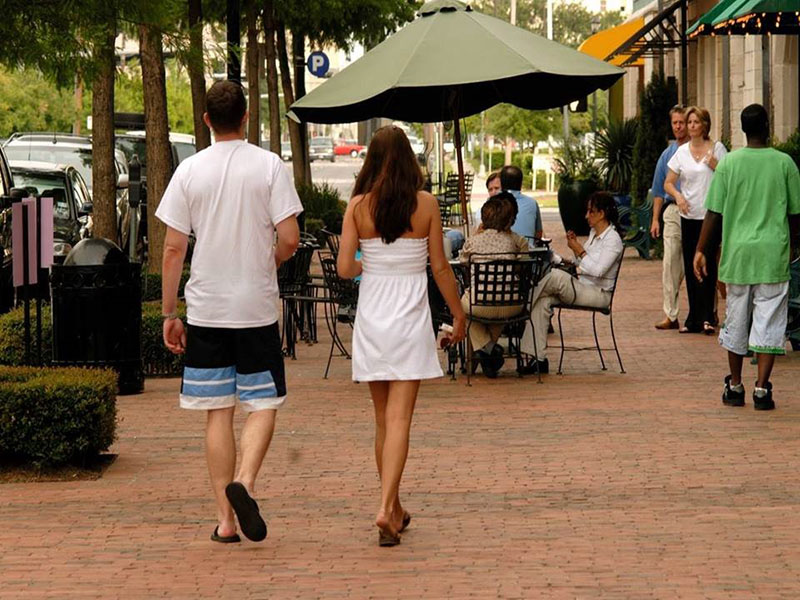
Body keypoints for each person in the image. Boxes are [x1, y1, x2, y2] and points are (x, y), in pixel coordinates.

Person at [157, 80, 303, 544]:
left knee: (217, 412)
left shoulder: (189, 172)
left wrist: (168, 313)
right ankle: (247, 481)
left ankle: (224, 520)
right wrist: (271, 260)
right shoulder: (269, 167)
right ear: (246, 118)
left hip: (206, 309)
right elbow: (291, 237)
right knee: (262, 404)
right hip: (256, 309)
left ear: (206, 120)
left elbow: (173, 248)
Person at [338, 125, 466, 547]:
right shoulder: (426, 204)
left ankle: (392, 507)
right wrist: (459, 315)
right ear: (410, 160)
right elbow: (440, 268)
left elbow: (344, 269)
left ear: (371, 160)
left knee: (381, 420)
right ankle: (386, 507)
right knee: (400, 420)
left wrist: (369, 263)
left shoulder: (357, 206)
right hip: (410, 316)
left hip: (373, 315)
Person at [694, 104, 800, 411]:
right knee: (770, 322)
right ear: (767, 125)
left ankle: (736, 385)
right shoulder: (785, 164)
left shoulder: (729, 164)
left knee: (736, 321)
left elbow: (714, 212)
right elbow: (795, 215)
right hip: (772, 255)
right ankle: (762, 389)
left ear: (742, 129)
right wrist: (793, 245)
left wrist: (701, 249)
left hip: (738, 256)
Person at [519, 192, 623, 374]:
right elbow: (583, 263)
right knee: (543, 301)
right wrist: (566, 256)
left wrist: (580, 251)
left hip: (599, 294)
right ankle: (538, 359)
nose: (586, 216)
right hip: (583, 287)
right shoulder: (594, 234)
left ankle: (521, 307)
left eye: (591, 212)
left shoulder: (613, 240)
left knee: (555, 277)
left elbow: (598, 271)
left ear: (602, 213)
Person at [664, 106, 727, 335]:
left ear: (705, 125)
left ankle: (709, 317)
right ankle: (693, 318)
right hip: (688, 215)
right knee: (691, 266)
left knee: (708, 265)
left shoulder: (717, 148)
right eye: (689, 122)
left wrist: (716, 166)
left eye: (695, 122)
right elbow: (668, 182)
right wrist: (678, 196)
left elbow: (729, 176)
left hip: (710, 216)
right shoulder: (681, 152)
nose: (691, 126)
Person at [459, 193, 529, 378]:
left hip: (480, 303)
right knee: (496, 300)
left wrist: (474, 236)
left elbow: (462, 261)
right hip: (511, 305)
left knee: (460, 308)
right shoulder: (512, 242)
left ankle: (488, 349)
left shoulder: (473, 241)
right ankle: (489, 358)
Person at [651, 105, 689, 330]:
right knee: (670, 263)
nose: (678, 127)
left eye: (682, 122)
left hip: (696, 212)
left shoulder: (700, 150)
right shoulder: (667, 154)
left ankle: (705, 314)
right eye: (675, 123)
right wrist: (655, 219)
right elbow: (658, 190)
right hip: (673, 210)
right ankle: (671, 314)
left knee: (692, 265)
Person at [500, 165, 543, 240]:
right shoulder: (532, 203)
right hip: (527, 250)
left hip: (500, 250)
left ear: (501, 183)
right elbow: (538, 233)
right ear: (520, 183)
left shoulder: (493, 203)